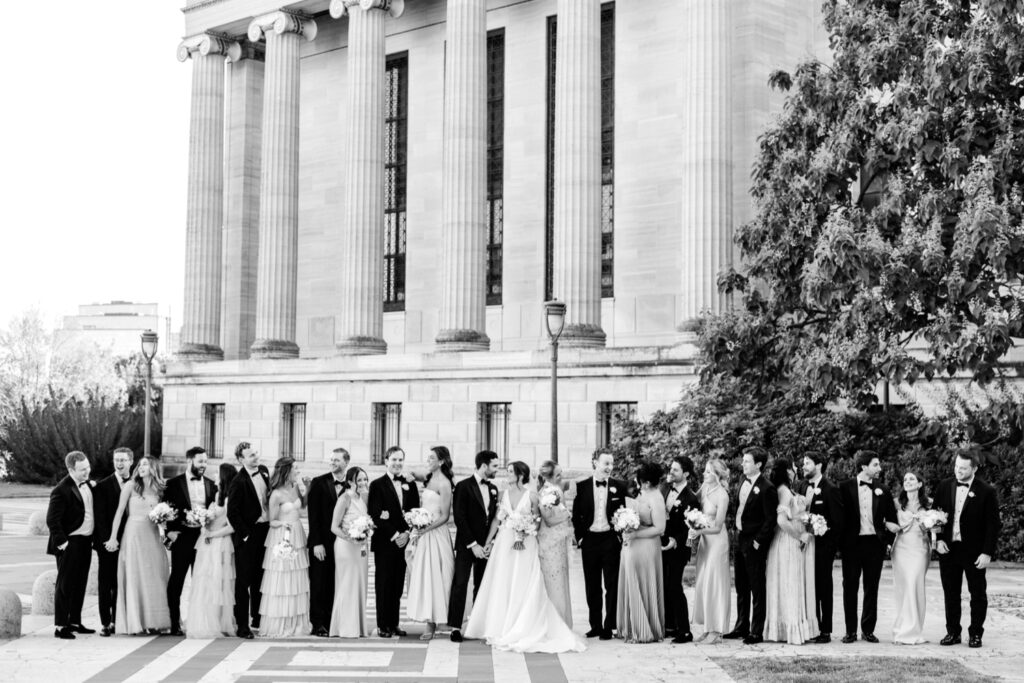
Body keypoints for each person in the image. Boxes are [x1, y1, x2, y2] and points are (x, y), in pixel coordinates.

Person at [465, 461, 585, 653]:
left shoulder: (533, 496)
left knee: (523, 582)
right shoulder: (504, 494)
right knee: (503, 582)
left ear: (521, 475)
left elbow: (538, 519)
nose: (507, 474)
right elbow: (497, 519)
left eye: (511, 472)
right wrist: (488, 542)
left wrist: (526, 529)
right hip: (505, 544)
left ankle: (522, 623)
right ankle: (501, 625)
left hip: (526, 544)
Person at [934, 449, 1001, 649]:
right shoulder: (944, 486)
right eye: (956, 467)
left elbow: (993, 524)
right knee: (950, 593)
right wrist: (938, 540)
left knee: (977, 594)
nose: (958, 471)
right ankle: (953, 632)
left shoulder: (987, 491)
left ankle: (975, 634)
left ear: (974, 468)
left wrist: (987, 552)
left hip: (975, 551)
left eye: (963, 468)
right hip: (948, 549)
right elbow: (935, 517)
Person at [105, 455, 172, 635]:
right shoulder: (130, 486)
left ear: (153, 468)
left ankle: (154, 621)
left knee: (155, 575)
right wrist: (113, 538)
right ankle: (136, 621)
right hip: (134, 533)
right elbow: (119, 513)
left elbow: (164, 515)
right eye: (140, 464)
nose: (141, 467)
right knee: (135, 575)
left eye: (145, 464)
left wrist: (165, 524)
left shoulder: (160, 488)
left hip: (152, 535)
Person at [838, 449, 897, 644]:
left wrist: (886, 541)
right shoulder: (844, 487)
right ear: (864, 467)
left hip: (874, 544)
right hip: (852, 545)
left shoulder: (883, 490)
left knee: (872, 588)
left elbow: (891, 518)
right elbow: (839, 518)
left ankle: (868, 630)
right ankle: (850, 631)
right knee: (850, 587)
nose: (879, 468)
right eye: (876, 465)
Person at [571, 449, 627, 640]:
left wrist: (620, 535)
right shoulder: (582, 486)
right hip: (590, 541)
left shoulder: (620, 486)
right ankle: (595, 625)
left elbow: (625, 512)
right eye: (606, 463)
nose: (609, 467)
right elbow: (576, 515)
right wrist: (580, 538)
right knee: (592, 585)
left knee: (612, 585)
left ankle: (608, 626)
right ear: (595, 462)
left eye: (611, 464)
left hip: (611, 540)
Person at [724, 446, 778, 645]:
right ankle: (741, 626)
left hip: (754, 542)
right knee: (741, 586)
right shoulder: (741, 481)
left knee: (757, 587)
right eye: (743, 460)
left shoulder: (767, 487)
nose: (742, 464)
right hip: (739, 539)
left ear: (758, 464)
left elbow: (770, 520)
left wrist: (758, 541)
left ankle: (756, 631)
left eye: (747, 461)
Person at [163, 446, 217, 636]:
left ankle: (199, 622)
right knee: (176, 580)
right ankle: (174, 622)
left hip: (204, 539)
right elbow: (165, 509)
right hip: (182, 538)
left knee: (201, 581)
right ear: (189, 461)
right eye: (200, 461)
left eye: (205, 461)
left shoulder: (212, 484)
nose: (204, 465)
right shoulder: (173, 484)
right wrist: (170, 532)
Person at [368, 446, 421, 638]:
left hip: (404, 542)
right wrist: (395, 534)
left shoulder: (410, 485)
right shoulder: (376, 485)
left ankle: (394, 623)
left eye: (400, 460)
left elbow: (415, 512)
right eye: (394, 460)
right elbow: (375, 514)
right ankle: (383, 625)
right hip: (385, 542)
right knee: (383, 584)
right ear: (386, 461)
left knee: (398, 584)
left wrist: (407, 534)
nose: (397, 463)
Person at [447, 450, 500, 643]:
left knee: (482, 585)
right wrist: (473, 545)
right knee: (460, 584)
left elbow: (494, 518)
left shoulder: (494, 488)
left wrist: (488, 544)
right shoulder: (463, 486)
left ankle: (478, 625)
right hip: (466, 545)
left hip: (485, 546)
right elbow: (459, 518)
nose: (497, 469)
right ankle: (455, 627)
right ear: (484, 466)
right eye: (494, 465)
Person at [764, 458, 817, 644]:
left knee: (790, 581)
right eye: (794, 467)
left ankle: (787, 628)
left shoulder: (787, 489)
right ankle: (790, 629)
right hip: (787, 541)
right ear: (788, 471)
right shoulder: (784, 491)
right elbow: (781, 521)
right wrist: (800, 536)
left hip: (789, 540)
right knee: (790, 582)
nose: (796, 469)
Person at [46, 451, 97, 640]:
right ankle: (60, 626)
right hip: (70, 543)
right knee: (65, 586)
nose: (87, 472)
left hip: (86, 542)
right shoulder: (61, 490)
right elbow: (52, 520)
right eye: (82, 470)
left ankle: (75, 621)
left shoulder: (89, 485)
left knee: (80, 583)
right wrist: (64, 544)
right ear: (70, 469)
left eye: (88, 468)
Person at [406, 446, 455, 639]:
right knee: (423, 575)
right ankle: (428, 616)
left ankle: (433, 622)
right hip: (423, 531)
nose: (428, 460)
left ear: (441, 461)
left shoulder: (444, 483)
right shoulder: (429, 477)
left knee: (436, 576)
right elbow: (413, 474)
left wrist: (423, 529)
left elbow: (445, 516)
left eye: (432, 458)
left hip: (435, 533)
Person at [259, 456, 311, 637]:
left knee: (297, 578)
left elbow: (302, 506)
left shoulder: (295, 487)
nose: (298, 471)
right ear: (286, 471)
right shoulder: (276, 494)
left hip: (297, 533)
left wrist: (307, 487)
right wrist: (283, 527)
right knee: (283, 580)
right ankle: (281, 623)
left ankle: (297, 622)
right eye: (295, 468)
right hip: (283, 536)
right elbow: (272, 521)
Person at [617, 461, 667, 643]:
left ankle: (645, 629)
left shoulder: (656, 499)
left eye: (640, 481)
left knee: (643, 582)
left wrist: (636, 534)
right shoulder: (643, 493)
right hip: (633, 545)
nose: (638, 484)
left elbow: (660, 528)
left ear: (646, 482)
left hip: (647, 546)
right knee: (632, 581)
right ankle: (630, 626)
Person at [797, 450, 845, 644]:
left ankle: (825, 629)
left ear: (818, 466)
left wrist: (828, 544)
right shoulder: (800, 486)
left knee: (823, 587)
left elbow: (838, 522)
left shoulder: (830, 488)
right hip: (803, 546)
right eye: (803, 463)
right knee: (807, 587)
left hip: (822, 548)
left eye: (807, 463)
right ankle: (810, 626)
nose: (803, 466)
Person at [186, 464, 238, 639]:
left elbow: (232, 527)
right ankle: (205, 619)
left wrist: (212, 534)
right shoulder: (217, 495)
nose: (215, 476)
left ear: (224, 477)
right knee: (205, 581)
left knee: (220, 582)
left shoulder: (231, 499)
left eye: (217, 474)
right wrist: (202, 524)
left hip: (221, 542)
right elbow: (209, 518)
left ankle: (220, 621)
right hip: (207, 543)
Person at [227, 441, 271, 639]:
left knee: (260, 577)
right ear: (241, 459)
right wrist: (245, 535)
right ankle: (242, 625)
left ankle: (257, 618)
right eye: (251, 455)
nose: (256, 457)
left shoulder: (263, 471)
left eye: (256, 453)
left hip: (265, 531)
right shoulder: (238, 481)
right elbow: (232, 513)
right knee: (243, 582)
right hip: (248, 536)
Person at [307, 447, 349, 637]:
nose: (332, 462)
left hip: (343, 544)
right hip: (322, 542)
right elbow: (312, 515)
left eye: (337, 460)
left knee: (336, 582)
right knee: (319, 583)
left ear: (346, 462)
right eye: (331, 460)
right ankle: (318, 623)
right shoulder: (318, 482)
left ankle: (333, 620)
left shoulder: (352, 485)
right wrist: (316, 543)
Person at [888, 471, 933, 645]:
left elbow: (937, 524)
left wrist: (934, 528)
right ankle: (902, 630)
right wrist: (889, 525)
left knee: (916, 584)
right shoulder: (897, 503)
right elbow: (886, 521)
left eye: (912, 479)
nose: (907, 481)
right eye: (905, 479)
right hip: (901, 548)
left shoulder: (928, 504)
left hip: (920, 548)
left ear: (920, 484)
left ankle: (915, 629)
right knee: (903, 588)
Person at [93, 446, 133, 637]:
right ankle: (106, 623)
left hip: (131, 543)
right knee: (106, 583)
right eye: (116, 460)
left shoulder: (138, 485)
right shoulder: (102, 486)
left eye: (123, 460)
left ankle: (120, 620)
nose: (119, 463)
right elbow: (99, 519)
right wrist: (109, 541)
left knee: (123, 583)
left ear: (131, 462)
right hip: (109, 544)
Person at [691, 459, 731, 644]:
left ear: (717, 475)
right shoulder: (705, 488)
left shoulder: (722, 495)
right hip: (705, 541)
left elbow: (717, 526)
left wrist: (698, 531)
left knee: (715, 583)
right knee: (704, 582)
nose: (704, 475)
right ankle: (707, 627)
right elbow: (692, 499)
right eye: (705, 471)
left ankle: (717, 629)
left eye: (708, 472)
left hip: (716, 541)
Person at [661, 455, 700, 644]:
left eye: (676, 469)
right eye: (671, 468)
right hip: (662, 546)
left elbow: (690, 528)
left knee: (674, 586)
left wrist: (675, 541)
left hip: (678, 548)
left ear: (685, 473)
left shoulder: (691, 498)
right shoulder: (665, 489)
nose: (671, 471)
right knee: (665, 585)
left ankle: (685, 630)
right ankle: (670, 626)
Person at [329, 467, 372, 637]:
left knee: (360, 584)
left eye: (364, 479)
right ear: (350, 481)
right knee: (347, 584)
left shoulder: (364, 497)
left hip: (361, 547)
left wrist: (366, 531)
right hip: (346, 547)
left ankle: (358, 626)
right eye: (359, 480)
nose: (362, 483)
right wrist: (351, 538)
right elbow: (334, 527)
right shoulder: (344, 499)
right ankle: (345, 628)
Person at [537, 459, 574, 627]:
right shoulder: (548, 492)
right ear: (550, 476)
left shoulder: (555, 489)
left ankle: (561, 622)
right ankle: (555, 624)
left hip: (558, 541)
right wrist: (568, 515)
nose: (561, 477)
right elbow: (549, 520)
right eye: (558, 474)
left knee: (560, 580)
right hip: (550, 543)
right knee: (554, 582)